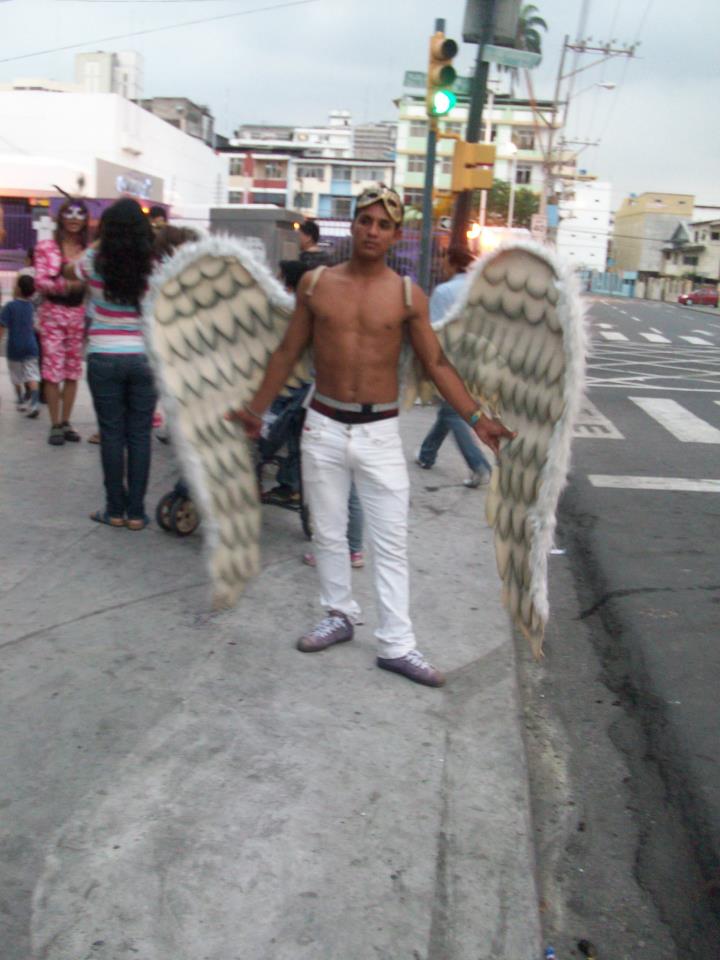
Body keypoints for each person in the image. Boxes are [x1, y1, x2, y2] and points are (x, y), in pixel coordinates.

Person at [226, 184, 514, 688]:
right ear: (354, 225)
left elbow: (436, 363)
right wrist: (255, 410)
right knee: (328, 532)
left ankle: (397, 644)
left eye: (384, 225)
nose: (373, 231)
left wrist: (476, 418)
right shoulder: (316, 284)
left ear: (395, 235)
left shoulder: (406, 295)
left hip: (379, 431)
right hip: (323, 426)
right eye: (366, 221)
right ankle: (338, 614)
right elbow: (287, 352)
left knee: (390, 541)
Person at [73, 198, 157, 529]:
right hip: (145, 357)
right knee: (140, 435)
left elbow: (71, 268)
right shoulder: (156, 264)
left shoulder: (93, 260)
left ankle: (114, 509)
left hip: (104, 355)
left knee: (111, 435)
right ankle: (136, 512)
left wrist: (101, 240)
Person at [415, 245, 493, 487]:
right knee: (447, 411)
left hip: (451, 362)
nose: (441, 266)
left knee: (451, 412)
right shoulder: (481, 289)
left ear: (453, 262)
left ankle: (479, 466)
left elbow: (434, 330)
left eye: (443, 260)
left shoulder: (444, 291)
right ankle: (427, 454)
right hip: (478, 360)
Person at [34, 199, 89, 445]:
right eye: (70, 213)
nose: (75, 218)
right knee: (52, 370)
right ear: (61, 217)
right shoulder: (46, 247)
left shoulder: (87, 250)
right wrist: (67, 285)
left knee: (72, 370)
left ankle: (66, 422)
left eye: (80, 214)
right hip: (52, 314)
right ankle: (55, 423)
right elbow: (40, 281)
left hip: (77, 314)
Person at [0, 274, 41, 418]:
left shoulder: (9, 306)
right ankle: (34, 404)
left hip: (14, 347)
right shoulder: (32, 306)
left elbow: (2, 327)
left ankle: (21, 400)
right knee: (32, 375)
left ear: (17, 289)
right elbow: (36, 325)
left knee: (16, 377)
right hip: (31, 346)